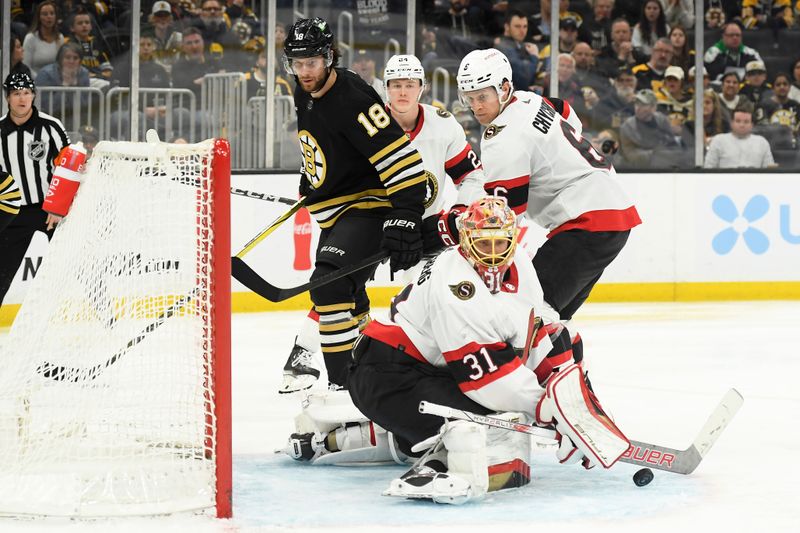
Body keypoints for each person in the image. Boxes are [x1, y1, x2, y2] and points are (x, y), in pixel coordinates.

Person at [291, 197, 630, 505]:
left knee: (544, 366)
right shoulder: (455, 285)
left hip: (425, 371)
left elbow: (540, 330)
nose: (494, 252)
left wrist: (573, 399)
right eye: (484, 243)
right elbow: (487, 381)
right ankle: (430, 470)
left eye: (501, 242)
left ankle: (360, 437)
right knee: (495, 427)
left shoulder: (522, 265)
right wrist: (549, 410)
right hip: (386, 375)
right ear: (466, 242)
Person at [279, 53, 486, 394]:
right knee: (339, 283)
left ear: (422, 87)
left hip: (426, 230)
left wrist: (457, 215)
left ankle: (436, 362)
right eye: (395, 85)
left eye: (410, 85)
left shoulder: (443, 125)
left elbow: (471, 176)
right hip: (377, 222)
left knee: (429, 299)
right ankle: (304, 352)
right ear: (385, 88)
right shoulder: (366, 118)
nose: (402, 93)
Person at [280, 18, 427, 390]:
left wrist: (406, 215)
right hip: (337, 211)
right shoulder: (303, 91)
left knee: (328, 286)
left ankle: (344, 388)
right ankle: (368, 377)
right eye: (297, 64)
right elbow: (318, 141)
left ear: (329, 57)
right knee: (349, 296)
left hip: (368, 206)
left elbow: (400, 158)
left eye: (312, 62)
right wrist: (310, 178)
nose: (305, 71)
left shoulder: (352, 97)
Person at [456, 48, 641, 323]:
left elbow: (504, 221)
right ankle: (561, 363)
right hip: (610, 214)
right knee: (552, 315)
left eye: (483, 96)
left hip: (587, 223)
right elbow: (564, 110)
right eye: (469, 98)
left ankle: (544, 364)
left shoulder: (502, 140)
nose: (476, 106)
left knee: (526, 309)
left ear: (504, 88)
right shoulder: (528, 99)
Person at [0, 72, 69, 307]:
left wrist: (58, 207)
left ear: (34, 96)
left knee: (74, 260)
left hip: (50, 210)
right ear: (8, 97)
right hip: (13, 212)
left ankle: (106, 315)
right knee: (2, 273)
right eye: (17, 93)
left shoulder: (51, 127)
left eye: (27, 93)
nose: (23, 98)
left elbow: (69, 169)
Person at [704, 106, 774, 168]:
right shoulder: (718, 140)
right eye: (738, 121)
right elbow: (708, 168)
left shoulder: (762, 142)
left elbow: (770, 170)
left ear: (752, 125)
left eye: (746, 122)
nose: (742, 125)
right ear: (731, 123)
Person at [23, 1, 65, 77]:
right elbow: (25, 66)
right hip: (35, 81)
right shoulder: (30, 38)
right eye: (45, 14)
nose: (49, 17)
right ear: (39, 17)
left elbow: (62, 65)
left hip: (55, 82)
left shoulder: (60, 38)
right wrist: (41, 79)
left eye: (52, 13)